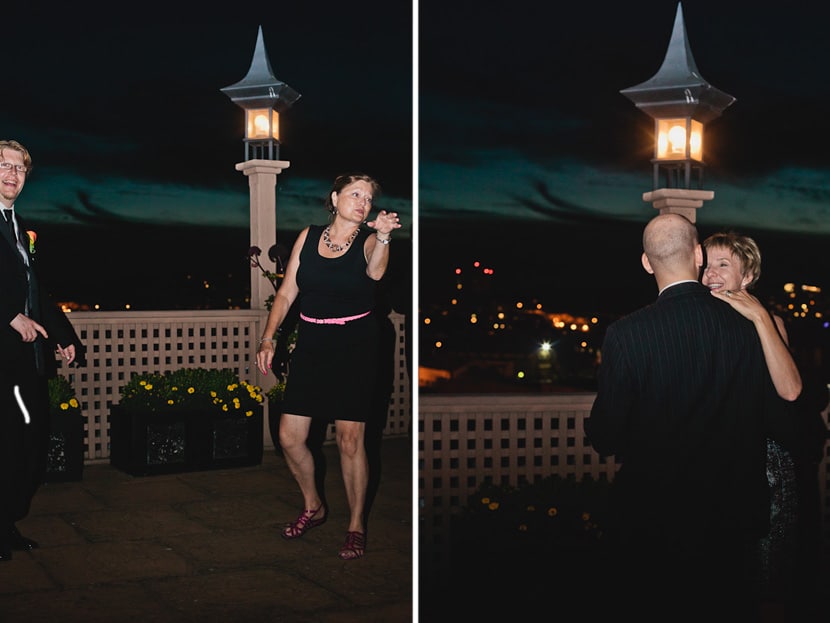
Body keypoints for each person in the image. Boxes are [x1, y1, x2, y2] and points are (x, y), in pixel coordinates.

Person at [584, 213, 781, 621]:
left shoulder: (627, 333)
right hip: (732, 514)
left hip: (655, 515)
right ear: (697, 254)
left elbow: (607, 434)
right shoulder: (748, 326)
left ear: (646, 261)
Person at [255, 173, 401, 560]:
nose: (362, 202)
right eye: (355, 193)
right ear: (335, 198)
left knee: (351, 440)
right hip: (313, 344)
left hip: (355, 346)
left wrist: (384, 236)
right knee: (289, 436)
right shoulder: (309, 235)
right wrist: (270, 337)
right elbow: (287, 292)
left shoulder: (370, 241)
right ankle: (314, 506)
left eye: (368, 198)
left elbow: (376, 272)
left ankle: (356, 526)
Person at [701, 231, 803, 612]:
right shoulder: (699, 319)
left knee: (766, 578)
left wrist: (760, 316)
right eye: (705, 265)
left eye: (723, 265)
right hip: (714, 464)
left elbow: (791, 390)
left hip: (767, 468)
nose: (710, 273)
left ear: (747, 277)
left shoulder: (769, 320)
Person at [0, 139, 84, 561]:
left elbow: (37, 293)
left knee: (28, 446)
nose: (12, 174)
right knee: (11, 444)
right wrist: (9, 317)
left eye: (19, 168)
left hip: (28, 362)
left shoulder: (18, 227)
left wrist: (65, 335)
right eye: (4, 166)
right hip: (3, 360)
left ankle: (7, 521)